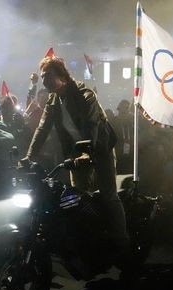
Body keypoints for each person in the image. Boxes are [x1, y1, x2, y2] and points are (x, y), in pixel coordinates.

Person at [23, 56, 133, 275]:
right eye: (43, 77)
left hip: (99, 149)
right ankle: (88, 244)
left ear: (62, 76)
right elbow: (42, 129)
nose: (45, 81)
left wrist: (87, 152)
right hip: (76, 153)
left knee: (109, 195)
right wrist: (29, 157)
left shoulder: (85, 95)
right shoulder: (53, 101)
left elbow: (92, 124)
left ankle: (122, 243)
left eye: (48, 76)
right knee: (77, 199)